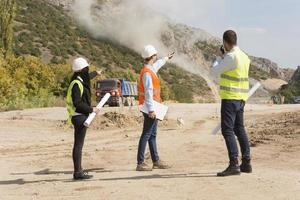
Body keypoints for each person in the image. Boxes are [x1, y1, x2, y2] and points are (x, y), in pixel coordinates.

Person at [211, 30, 252, 177]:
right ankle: (246, 163)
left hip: (230, 98)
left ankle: (234, 164)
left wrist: (217, 58)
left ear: (225, 42)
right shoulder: (244, 56)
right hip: (241, 98)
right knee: (239, 129)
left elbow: (214, 71)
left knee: (227, 130)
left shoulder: (230, 56)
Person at [136, 45, 174, 171]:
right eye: (155, 55)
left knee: (152, 134)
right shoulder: (147, 73)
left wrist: (166, 58)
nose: (156, 57)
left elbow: (158, 64)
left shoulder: (150, 69)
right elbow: (148, 92)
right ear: (151, 56)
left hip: (153, 106)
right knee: (146, 134)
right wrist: (151, 110)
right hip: (149, 107)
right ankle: (140, 162)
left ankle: (155, 160)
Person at [66, 57, 102, 180]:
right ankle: (78, 172)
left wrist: (96, 73)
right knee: (78, 145)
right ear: (82, 70)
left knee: (78, 145)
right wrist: (92, 109)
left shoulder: (78, 79)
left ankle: (78, 171)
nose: (88, 71)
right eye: (87, 69)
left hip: (79, 116)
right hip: (79, 116)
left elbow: (86, 78)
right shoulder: (77, 84)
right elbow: (77, 103)